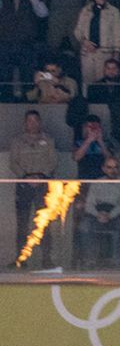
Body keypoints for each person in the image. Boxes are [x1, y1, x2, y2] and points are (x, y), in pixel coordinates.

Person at [9, 111, 56, 261]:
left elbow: (53, 161)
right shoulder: (17, 141)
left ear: (40, 122)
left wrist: (41, 176)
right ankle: (20, 259)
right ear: (25, 123)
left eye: (35, 120)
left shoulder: (48, 140)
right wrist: (26, 176)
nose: (32, 124)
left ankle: (46, 259)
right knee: (22, 223)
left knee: (44, 223)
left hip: (42, 184)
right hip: (23, 184)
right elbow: (13, 163)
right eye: (29, 121)